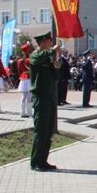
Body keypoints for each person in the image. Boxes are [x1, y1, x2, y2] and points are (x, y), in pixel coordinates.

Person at [29, 32, 60, 172]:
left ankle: (43, 160)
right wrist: (52, 51)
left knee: (48, 131)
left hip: (49, 96)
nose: (50, 43)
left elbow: (55, 77)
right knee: (40, 130)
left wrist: (56, 66)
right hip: (40, 97)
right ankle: (35, 162)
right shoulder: (36, 55)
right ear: (42, 42)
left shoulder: (47, 58)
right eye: (48, 41)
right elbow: (38, 60)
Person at [17, 43, 32, 118]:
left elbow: (19, 71)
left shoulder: (20, 61)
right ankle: (29, 113)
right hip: (29, 77)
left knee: (23, 96)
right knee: (29, 96)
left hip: (23, 78)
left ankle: (22, 112)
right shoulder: (30, 60)